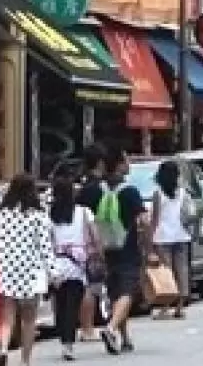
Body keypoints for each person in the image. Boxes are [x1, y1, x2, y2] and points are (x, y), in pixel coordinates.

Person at [0, 173, 55, 366]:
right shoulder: (38, 216)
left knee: (7, 317)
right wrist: (53, 272)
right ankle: (25, 360)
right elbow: (45, 246)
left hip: (7, 267)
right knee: (29, 320)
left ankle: (4, 349)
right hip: (30, 270)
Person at [97, 147, 147, 355]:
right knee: (128, 293)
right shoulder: (130, 192)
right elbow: (143, 221)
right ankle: (110, 329)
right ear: (118, 164)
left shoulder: (94, 190)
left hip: (102, 250)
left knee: (116, 294)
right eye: (126, 160)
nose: (129, 164)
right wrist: (149, 246)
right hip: (127, 250)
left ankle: (124, 337)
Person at [49, 173, 99, 361]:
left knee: (61, 304)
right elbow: (94, 235)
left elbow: (49, 239)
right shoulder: (84, 212)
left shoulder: (50, 214)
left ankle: (64, 339)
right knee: (72, 303)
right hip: (77, 264)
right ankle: (68, 344)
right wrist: (98, 254)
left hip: (56, 263)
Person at [150, 161, 192, 320]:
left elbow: (155, 218)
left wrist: (150, 240)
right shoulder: (182, 193)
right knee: (181, 270)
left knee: (166, 273)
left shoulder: (158, 194)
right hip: (181, 235)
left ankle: (166, 307)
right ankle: (180, 306)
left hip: (163, 237)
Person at [75, 144, 107, 343]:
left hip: (78, 241)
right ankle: (88, 327)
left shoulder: (82, 186)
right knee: (91, 286)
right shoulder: (97, 189)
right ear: (100, 162)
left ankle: (86, 325)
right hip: (92, 240)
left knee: (88, 285)